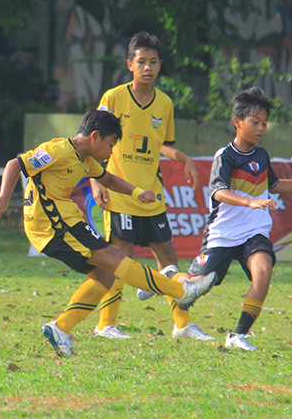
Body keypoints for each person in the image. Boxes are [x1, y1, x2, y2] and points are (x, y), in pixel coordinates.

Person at [0, 109, 217, 357]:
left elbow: (107, 179)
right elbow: (16, 164)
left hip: (64, 222)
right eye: (110, 145)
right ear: (95, 136)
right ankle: (181, 291)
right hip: (54, 224)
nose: (111, 152)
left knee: (106, 275)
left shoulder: (84, 160)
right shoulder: (57, 150)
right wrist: (3, 197)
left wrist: (136, 192)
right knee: (115, 258)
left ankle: (61, 328)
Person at [187, 87, 292, 351]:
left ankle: (238, 336)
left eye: (264, 123)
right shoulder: (225, 156)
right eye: (254, 122)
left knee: (263, 273)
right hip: (223, 234)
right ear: (237, 122)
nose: (261, 128)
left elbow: (275, 184)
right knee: (195, 287)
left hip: (254, 232)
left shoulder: (261, 155)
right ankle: (165, 281)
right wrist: (250, 201)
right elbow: (219, 192)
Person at [89, 31, 214, 342]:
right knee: (119, 258)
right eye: (141, 61)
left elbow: (162, 145)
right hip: (119, 192)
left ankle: (182, 325)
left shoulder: (165, 103)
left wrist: (182, 156)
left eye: (153, 62)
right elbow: (93, 142)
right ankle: (106, 324)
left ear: (160, 66)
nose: (148, 67)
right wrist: (95, 181)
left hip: (151, 195)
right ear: (130, 64)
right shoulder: (113, 98)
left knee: (169, 257)